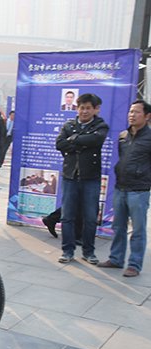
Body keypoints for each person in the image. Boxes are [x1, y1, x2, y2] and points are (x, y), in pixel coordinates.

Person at [98, 100, 151, 277]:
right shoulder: (123, 136)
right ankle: (116, 259)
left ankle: (134, 265)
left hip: (139, 190)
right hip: (120, 188)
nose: (132, 115)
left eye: (136, 112)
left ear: (147, 116)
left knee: (138, 230)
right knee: (118, 226)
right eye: (130, 111)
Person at [56, 93, 109, 264]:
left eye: (88, 108)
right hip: (70, 176)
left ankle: (88, 252)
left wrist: (74, 139)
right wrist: (81, 143)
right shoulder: (69, 125)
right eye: (81, 108)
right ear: (77, 108)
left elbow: (96, 139)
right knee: (67, 216)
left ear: (95, 109)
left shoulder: (100, 126)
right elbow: (59, 144)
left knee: (90, 217)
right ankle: (67, 251)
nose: (84, 111)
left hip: (90, 178)